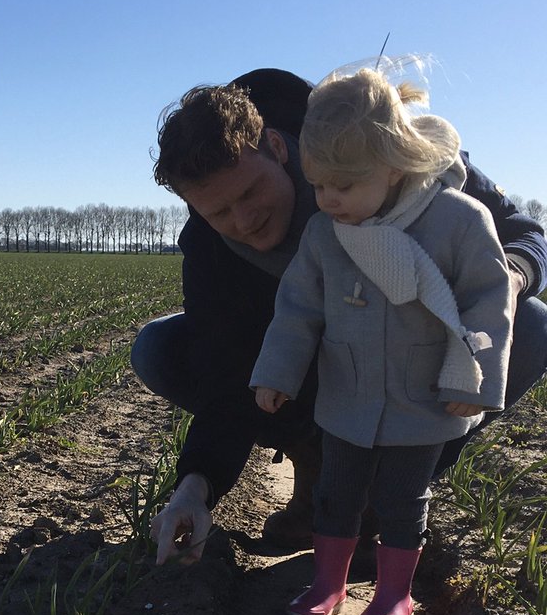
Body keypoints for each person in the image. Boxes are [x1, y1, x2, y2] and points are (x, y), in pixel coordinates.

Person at [137, 67, 547, 569]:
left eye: (248, 194)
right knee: (159, 348)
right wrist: (194, 489)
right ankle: (318, 469)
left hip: (415, 362)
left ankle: (392, 490)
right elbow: (224, 377)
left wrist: (509, 279)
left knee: (532, 326)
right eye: (218, 213)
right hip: (315, 368)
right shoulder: (210, 251)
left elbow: (525, 233)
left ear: (278, 148)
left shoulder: (372, 144)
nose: (241, 221)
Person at [249, 64, 511, 615]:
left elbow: (489, 302)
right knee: (335, 492)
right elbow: (298, 309)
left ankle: (395, 595)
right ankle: (328, 583)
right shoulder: (324, 234)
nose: (329, 199)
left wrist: (473, 382)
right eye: (319, 185)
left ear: (394, 165)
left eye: (345, 185)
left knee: (402, 498)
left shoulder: (457, 221)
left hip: (424, 396)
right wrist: (278, 372)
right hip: (349, 393)